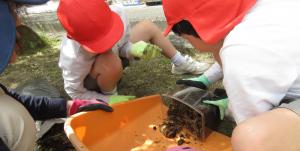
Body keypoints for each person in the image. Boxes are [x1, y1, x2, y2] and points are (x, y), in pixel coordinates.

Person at [0, 0, 211, 151]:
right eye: (12, 11)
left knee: (13, 110)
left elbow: (11, 97)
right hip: (90, 81)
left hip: (105, 66)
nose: (19, 21)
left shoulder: (118, 15)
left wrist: (68, 107)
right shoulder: (71, 57)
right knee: (14, 115)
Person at [162, 0, 300, 151]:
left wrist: (231, 106)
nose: (187, 43)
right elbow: (230, 47)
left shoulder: (241, 50)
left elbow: (251, 119)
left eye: (183, 37)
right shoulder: (262, 10)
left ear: (196, 28)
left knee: (254, 144)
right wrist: (205, 79)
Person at [57, 0, 210, 103]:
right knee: (109, 58)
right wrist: (108, 101)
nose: (108, 43)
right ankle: (110, 94)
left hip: (114, 62)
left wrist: (133, 50)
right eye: (99, 42)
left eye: (110, 34)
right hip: (94, 79)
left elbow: (121, 46)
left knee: (147, 27)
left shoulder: (119, 13)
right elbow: (75, 93)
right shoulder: (72, 56)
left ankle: (180, 63)